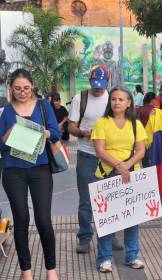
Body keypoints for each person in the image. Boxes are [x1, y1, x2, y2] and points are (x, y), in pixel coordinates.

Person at [0, 69, 60, 280]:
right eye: (17, 89)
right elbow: (1, 144)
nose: (22, 92)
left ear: (32, 86)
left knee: (43, 220)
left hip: (40, 169)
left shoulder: (43, 106)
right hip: (14, 171)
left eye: (25, 88)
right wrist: (7, 133)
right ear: (10, 89)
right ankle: (26, 271)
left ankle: (51, 270)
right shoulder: (6, 111)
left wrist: (45, 132)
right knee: (21, 219)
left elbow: (56, 132)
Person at [92, 86, 147, 272]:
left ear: (129, 103)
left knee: (132, 217)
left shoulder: (136, 124)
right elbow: (100, 150)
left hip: (131, 174)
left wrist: (127, 165)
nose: (116, 102)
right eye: (113, 99)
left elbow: (141, 150)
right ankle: (104, 258)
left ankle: (132, 256)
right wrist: (118, 165)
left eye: (121, 99)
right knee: (107, 218)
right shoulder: (102, 122)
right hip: (107, 174)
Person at [68, 65, 122, 254]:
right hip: (86, 155)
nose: (98, 89)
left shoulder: (113, 100)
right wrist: (83, 133)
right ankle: (84, 236)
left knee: (110, 198)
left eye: (101, 85)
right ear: (89, 81)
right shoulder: (80, 98)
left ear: (107, 82)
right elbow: (71, 127)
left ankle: (110, 234)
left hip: (110, 157)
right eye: (94, 84)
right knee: (86, 200)